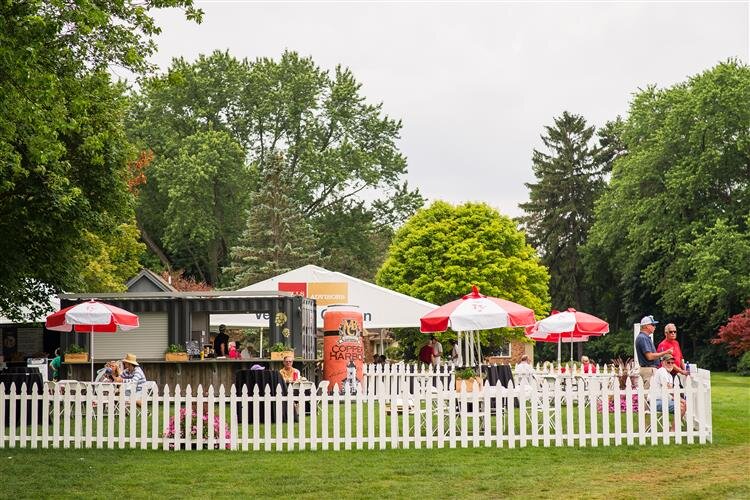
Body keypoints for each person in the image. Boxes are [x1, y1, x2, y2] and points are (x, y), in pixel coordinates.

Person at [636, 315, 673, 389]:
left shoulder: (644, 337)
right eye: (653, 325)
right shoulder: (643, 338)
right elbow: (649, 356)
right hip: (649, 370)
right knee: (650, 396)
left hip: (649, 369)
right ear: (646, 326)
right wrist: (665, 352)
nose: (655, 327)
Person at [652, 353, 687, 430]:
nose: (670, 364)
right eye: (668, 362)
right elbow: (668, 388)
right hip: (656, 401)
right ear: (662, 363)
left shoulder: (669, 375)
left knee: (683, 405)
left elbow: (668, 391)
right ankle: (673, 429)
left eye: (672, 363)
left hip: (662, 400)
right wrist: (681, 400)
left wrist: (677, 399)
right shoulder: (662, 371)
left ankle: (673, 428)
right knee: (682, 406)